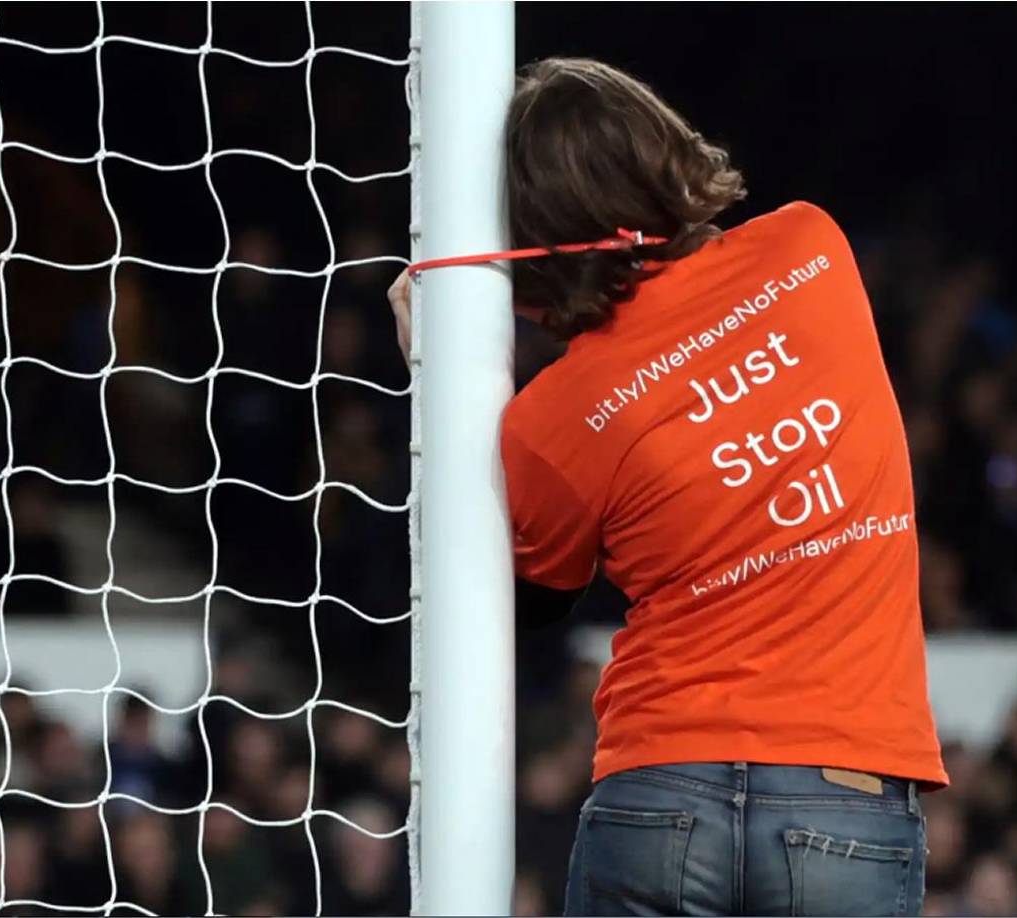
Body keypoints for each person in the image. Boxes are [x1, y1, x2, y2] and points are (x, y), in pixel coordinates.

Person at [388, 58, 947, 916]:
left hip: (658, 792)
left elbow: (529, 602)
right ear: (661, 143)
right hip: (843, 788)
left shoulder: (551, 421)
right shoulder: (809, 250)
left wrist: (445, 369)